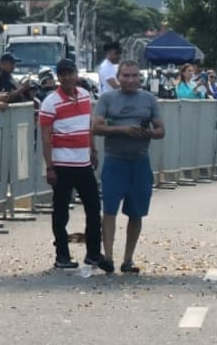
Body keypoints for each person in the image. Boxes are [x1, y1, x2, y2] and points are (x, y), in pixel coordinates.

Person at [92, 60, 165, 275]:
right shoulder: (107, 99)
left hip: (140, 162)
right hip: (115, 161)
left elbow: (161, 130)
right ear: (119, 76)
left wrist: (147, 133)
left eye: (134, 76)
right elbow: (96, 127)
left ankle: (128, 259)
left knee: (136, 212)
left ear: (139, 78)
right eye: (126, 75)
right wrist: (122, 129)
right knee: (109, 210)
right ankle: (108, 257)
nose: (130, 80)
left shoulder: (149, 100)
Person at [39, 59, 112, 272]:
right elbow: (45, 137)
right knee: (61, 211)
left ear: (76, 74)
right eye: (63, 74)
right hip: (62, 163)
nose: (67, 78)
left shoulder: (85, 96)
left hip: (83, 162)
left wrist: (93, 149)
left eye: (70, 73)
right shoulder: (50, 102)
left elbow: (88, 126)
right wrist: (50, 166)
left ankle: (93, 252)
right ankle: (62, 253)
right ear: (58, 77)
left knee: (93, 206)